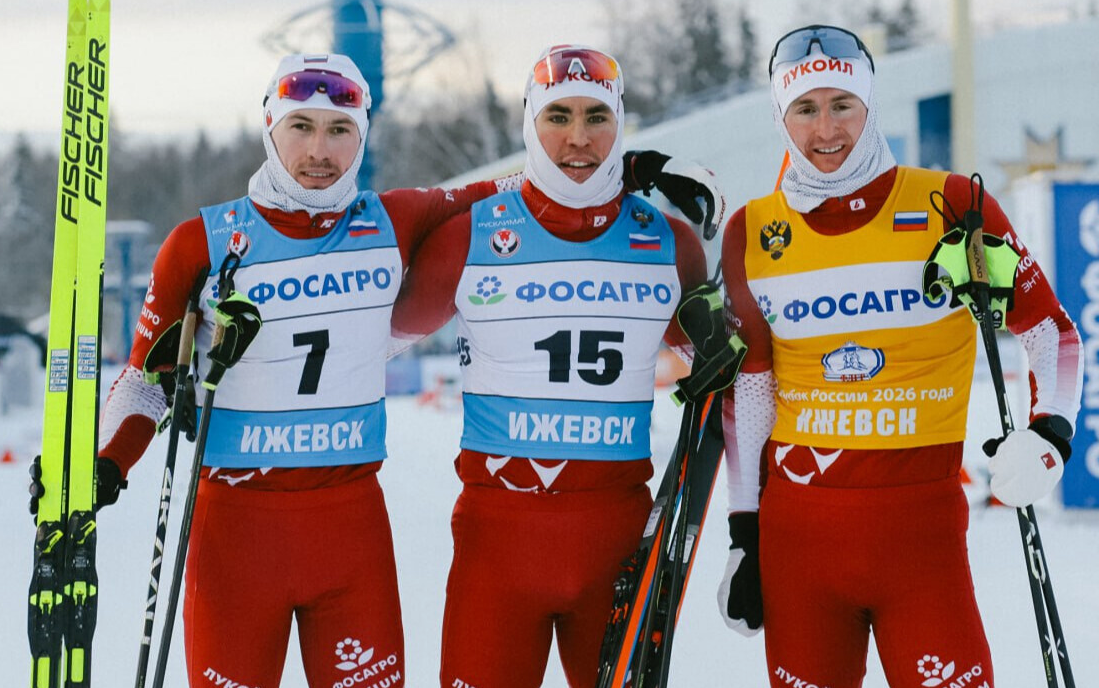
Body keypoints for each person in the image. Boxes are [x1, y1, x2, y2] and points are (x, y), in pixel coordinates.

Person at [76, 53, 526, 688]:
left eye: (340, 130)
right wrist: (105, 466)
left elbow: (511, 191)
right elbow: (145, 384)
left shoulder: (393, 219)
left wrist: (620, 170)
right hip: (236, 535)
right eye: (301, 126)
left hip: (350, 533)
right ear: (270, 126)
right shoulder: (203, 242)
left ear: (362, 136)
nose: (320, 151)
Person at [715, 25, 1084, 687]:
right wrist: (743, 533)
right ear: (780, 117)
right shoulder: (751, 231)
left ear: (871, 104)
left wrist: (1050, 431)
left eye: (842, 105)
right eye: (804, 109)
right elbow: (751, 390)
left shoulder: (952, 204)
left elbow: (1049, 331)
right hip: (799, 544)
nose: (825, 129)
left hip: (921, 541)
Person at [390, 44, 720, 688]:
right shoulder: (470, 235)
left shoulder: (669, 242)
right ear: (529, 122)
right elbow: (360, 345)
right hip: (498, 542)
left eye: (597, 116)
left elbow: (716, 372)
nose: (578, 137)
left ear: (620, 123)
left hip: (617, 538)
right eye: (557, 116)